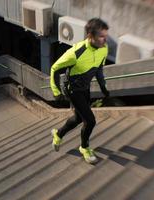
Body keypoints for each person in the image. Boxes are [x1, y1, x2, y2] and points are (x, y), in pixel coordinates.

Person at [50, 18, 110, 164]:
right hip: (73, 90)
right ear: (90, 36)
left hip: (85, 88)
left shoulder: (104, 48)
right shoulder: (76, 52)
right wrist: (56, 92)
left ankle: (58, 134)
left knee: (78, 119)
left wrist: (103, 87)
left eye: (105, 36)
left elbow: (99, 69)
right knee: (90, 121)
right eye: (101, 36)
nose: (105, 39)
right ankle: (84, 147)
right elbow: (55, 68)